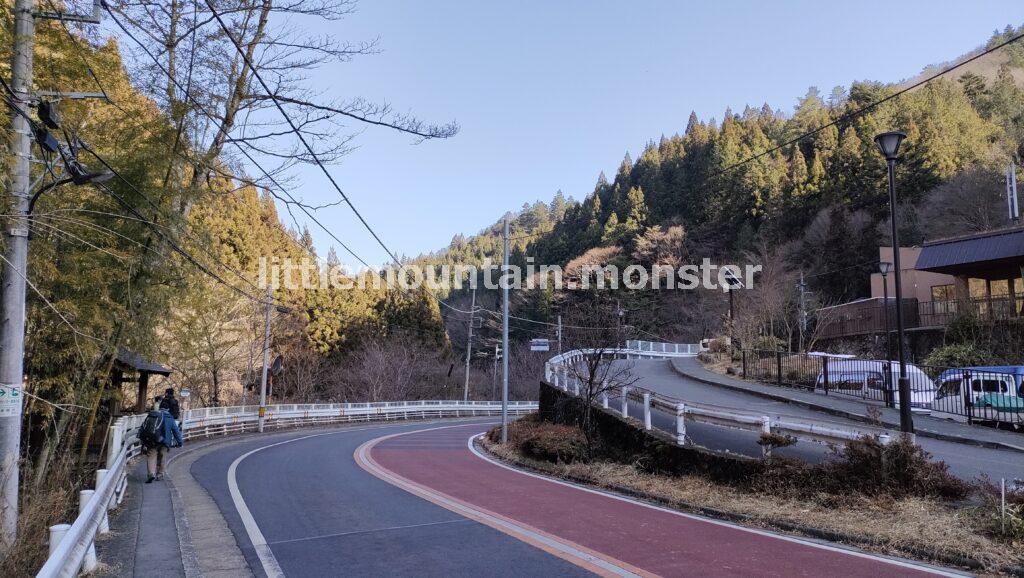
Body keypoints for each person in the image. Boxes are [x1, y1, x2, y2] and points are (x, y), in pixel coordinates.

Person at [142, 405, 183, 483]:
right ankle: (160, 474)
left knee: (151, 456)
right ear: (167, 410)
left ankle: (151, 473)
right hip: (165, 442)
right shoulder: (170, 418)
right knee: (162, 457)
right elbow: (176, 432)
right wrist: (180, 443)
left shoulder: (153, 416)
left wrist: (144, 441)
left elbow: (145, 427)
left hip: (153, 440)